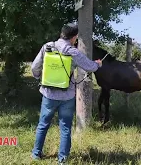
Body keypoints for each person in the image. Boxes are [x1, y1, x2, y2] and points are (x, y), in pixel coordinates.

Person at [30, 23, 102, 164]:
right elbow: (90, 66)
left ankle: (36, 154)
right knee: (65, 127)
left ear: (62, 33)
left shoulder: (47, 47)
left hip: (48, 94)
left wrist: (42, 78)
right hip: (67, 96)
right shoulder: (73, 52)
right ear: (74, 37)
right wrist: (98, 64)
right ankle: (62, 159)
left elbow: (34, 68)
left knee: (43, 124)